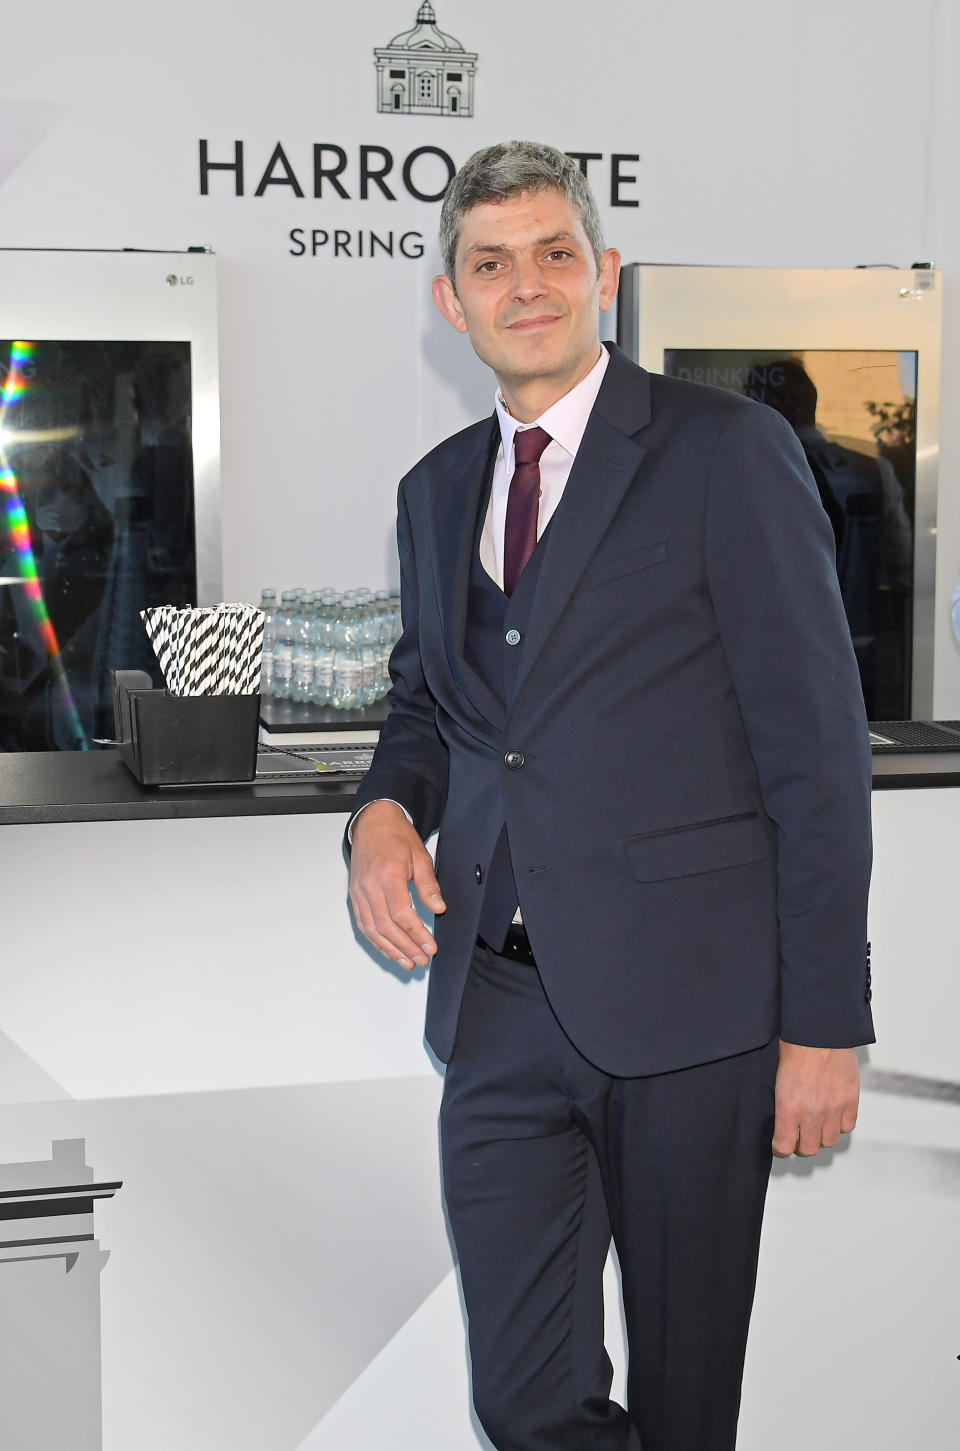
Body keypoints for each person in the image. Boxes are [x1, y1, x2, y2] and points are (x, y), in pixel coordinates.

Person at [347, 141, 874, 1451]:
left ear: (606, 276)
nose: (526, 286)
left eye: (554, 255)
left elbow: (817, 753)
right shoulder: (431, 497)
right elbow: (426, 707)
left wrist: (823, 1025)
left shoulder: (726, 453)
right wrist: (378, 815)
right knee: (523, 1398)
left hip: (698, 1019)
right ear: (449, 304)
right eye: (490, 264)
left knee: (690, 1402)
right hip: (502, 1017)